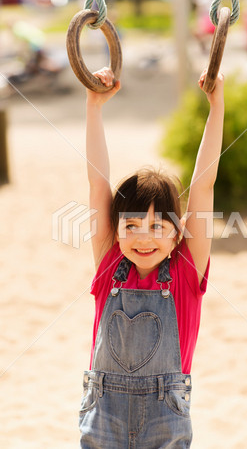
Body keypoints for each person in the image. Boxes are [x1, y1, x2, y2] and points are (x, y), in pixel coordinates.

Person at [79, 67, 224, 448]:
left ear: (178, 233)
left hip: (166, 418)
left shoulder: (185, 271)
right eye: (130, 227)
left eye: (158, 226)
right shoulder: (110, 261)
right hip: (104, 412)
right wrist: (94, 106)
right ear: (116, 230)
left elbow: (204, 182)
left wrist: (216, 104)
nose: (143, 238)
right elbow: (98, 182)